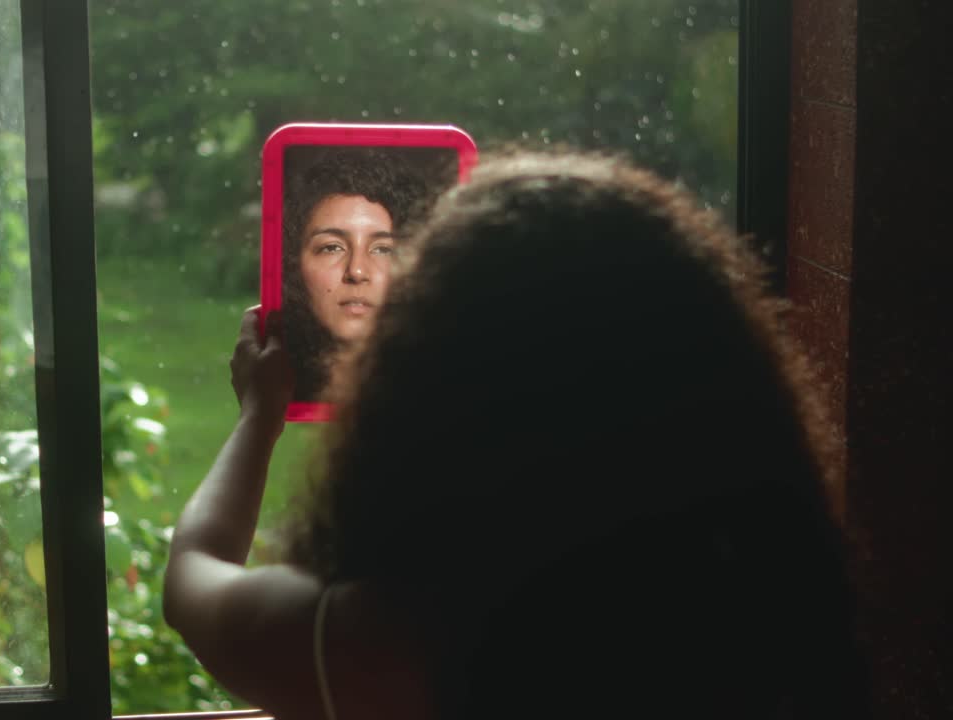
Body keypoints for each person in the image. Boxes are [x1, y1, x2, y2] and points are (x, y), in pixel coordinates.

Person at [164, 151, 869, 719]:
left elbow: (194, 572)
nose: (359, 271)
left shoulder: (368, 644)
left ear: (420, 381)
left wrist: (260, 416)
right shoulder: (770, 623)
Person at [282, 147, 435, 402]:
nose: (357, 271)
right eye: (332, 248)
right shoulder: (281, 391)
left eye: (384, 250)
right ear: (295, 263)